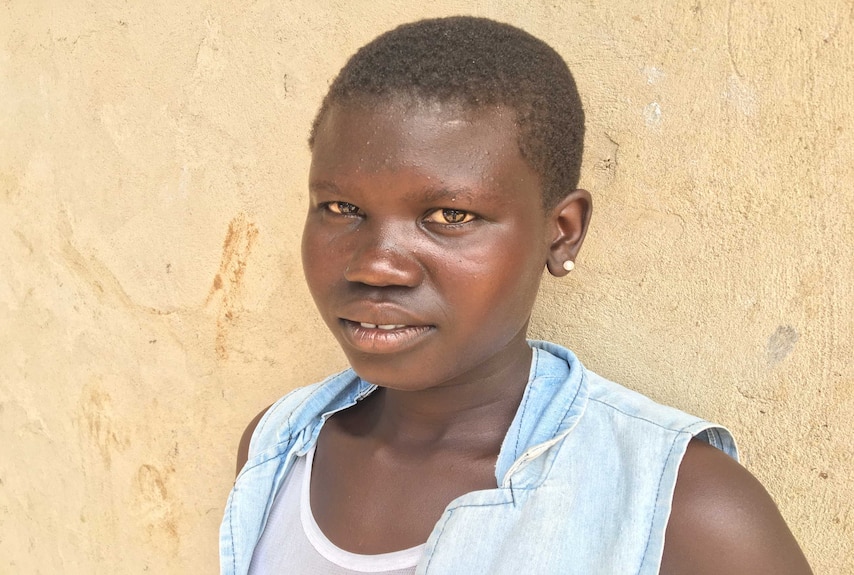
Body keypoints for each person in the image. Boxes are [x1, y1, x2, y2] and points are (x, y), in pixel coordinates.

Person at [220, 16, 812, 574]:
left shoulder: (679, 505)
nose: (376, 266)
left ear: (562, 231)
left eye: (449, 215)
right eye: (341, 208)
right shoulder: (280, 447)